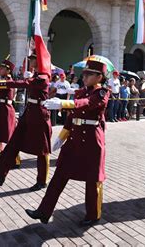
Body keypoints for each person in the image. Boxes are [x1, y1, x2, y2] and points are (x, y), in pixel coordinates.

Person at [25, 59, 109, 226]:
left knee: (92, 180)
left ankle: (93, 214)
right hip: (74, 139)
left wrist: (63, 103)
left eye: (89, 74)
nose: (84, 77)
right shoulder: (82, 91)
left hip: (92, 140)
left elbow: (87, 104)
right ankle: (44, 211)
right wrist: (61, 137)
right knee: (59, 176)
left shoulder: (102, 93)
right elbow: (73, 117)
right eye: (83, 74)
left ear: (100, 77)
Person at [0, 53, 52, 191]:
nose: (31, 61)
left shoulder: (43, 77)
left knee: (42, 150)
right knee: (13, 143)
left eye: (33, 59)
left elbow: (23, 84)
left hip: (39, 115)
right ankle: (0, 173)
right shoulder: (36, 76)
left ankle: (42, 181)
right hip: (29, 112)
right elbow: (27, 82)